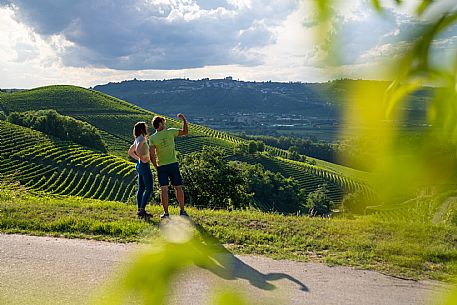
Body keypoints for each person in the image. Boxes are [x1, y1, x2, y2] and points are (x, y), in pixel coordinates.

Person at [149, 114, 188, 218]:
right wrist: (184, 120)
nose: (165, 124)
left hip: (162, 166)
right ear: (160, 123)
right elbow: (185, 132)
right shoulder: (170, 131)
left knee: (164, 190)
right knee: (178, 188)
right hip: (173, 164)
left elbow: (152, 155)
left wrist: (156, 166)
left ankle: (166, 213)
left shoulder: (152, 138)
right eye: (164, 122)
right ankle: (182, 211)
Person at [128, 122, 153, 219]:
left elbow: (130, 151)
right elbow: (137, 149)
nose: (147, 129)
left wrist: (138, 159)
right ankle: (142, 210)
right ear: (143, 129)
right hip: (144, 165)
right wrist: (142, 158)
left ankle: (140, 209)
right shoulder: (141, 138)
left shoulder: (138, 138)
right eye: (146, 127)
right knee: (149, 188)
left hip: (139, 165)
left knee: (141, 188)